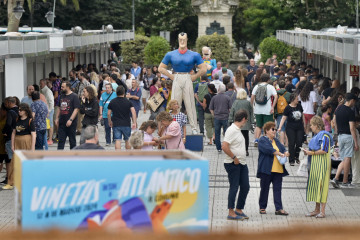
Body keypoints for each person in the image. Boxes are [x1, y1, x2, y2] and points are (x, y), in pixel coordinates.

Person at [158, 32, 207, 134]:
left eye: (184, 39)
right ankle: (172, 125)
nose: (182, 41)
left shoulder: (194, 54)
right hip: (176, 77)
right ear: (178, 39)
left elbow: (204, 69)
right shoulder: (170, 54)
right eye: (180, 39)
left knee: (190, 103)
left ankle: (194, 127)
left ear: (187, 39)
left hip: (187, 77)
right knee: (174, 103)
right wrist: (171, 76)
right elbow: (160, 68)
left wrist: (195, 76)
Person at [302, 116, 333, 218]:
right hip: (316, 164)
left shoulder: (325, 136)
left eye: (311, 125)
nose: (310, 127)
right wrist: (308, 153)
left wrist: (311, 152)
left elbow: (324, 150)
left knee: (322, 187)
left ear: (316, 125)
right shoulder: (317, 136)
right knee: (316, 186)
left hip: (323, 165)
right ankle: (316, 209)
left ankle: (322, 211)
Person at [222, 110, 250, 221]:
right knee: (234, 187)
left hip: (242, 163)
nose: (246, 121)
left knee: (245, 186)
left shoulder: (238, 130)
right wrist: (234, 158)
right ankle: (231, 211)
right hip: (233, 163)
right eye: (246, 119)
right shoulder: (232, 130)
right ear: (243, 119)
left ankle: (239, 209)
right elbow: (224, 146)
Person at [257, 121, 290, 215]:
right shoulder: (262, 140)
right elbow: (268, 150)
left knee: (278, 189)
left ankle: (279, 208)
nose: (274, 131)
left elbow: (283, 149)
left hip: (278, 170)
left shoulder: (276, 140)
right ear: (267, 130)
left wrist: (286, 152)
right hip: (266, 170)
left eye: (275, 129)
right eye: (272, 129)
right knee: (264, 189)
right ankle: (262, 207)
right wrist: (279, 153)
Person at [331, 93, 359, 188]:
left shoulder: (338, 109)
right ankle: (345, 181)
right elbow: (352, 128)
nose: (354, 104)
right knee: (347, 158)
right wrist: (356, 142)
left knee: (343, 159)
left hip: (340, 136)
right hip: (348, 136)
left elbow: (334, 121)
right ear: (351, 100)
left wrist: (337, 132)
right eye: (354, 102)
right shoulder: (350, 112)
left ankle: (336, 178)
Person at [251, 73, 278, 146]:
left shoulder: (256, 86)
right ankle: (266, 140)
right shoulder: (270, 87)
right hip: (268, 110)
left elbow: (252, 97)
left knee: (259, 125)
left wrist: (252, 106)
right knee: (268, 126)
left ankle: (256, 139)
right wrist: (272, 106)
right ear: (268, 79)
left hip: (258, 109)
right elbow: (276, 97)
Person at [278, 93, 304, 166]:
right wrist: (280, 127)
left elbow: (302, 115)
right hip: (290, 128)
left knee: (299, 143)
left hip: (299, 127)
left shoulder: (299, 106)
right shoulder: (287, 108)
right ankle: (291, 160)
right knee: (291, 143)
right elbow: (283, 118)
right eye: (296, 99)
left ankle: (296, 156)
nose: (298, 100)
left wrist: (305, 124)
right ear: (293, 100)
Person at [108, 86, 137, 150]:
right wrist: (134, 122)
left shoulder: (112, 102)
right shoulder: (128, 102)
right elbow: (133, 112)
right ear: (124, 93)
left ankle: (118, 156)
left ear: (116, 93)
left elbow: (109, 113)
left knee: (118, 140)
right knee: (128, 140)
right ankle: (128, 155)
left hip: (116, 123)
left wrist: (110, 121)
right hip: (126, 123)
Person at [55, 81, 81, 150]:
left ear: (68, 87)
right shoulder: (61, 96)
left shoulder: (74, 96)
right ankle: (59, 157)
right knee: (60, 141)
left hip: (71, 123)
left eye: (63, 87)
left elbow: (76, 109)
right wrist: (57, 118)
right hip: (62, 123)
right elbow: (59, 107)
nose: (61, 88)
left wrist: (70, 119)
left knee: (72, 141)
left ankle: (73, 158)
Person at [228, 89, 253, 156]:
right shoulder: (248, 102)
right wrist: (252, 121)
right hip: (246, 122)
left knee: (237, 137)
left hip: (237, 123)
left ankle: (238, 150)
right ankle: (246, 150)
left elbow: (232, 112)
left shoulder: (235, 102)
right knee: (246, 137)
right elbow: (251, 112)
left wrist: (230, 121)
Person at [1, 98, 18, 190]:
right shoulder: (18, 110)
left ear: (9, 103)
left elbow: (8, 124)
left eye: (6, 103)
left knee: (11, 160)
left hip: (10, 137)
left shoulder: (11, 112)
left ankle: (12, 181)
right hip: (16, 137)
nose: (5, 105)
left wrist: (4, 131)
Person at [210, 84, 231, 153]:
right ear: (225, 90)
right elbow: (230, 109)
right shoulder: (227, 98)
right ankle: (226, 146)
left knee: (217, 133)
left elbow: (211, 108)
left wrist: (214, 115)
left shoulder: (214, 98)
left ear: (218, 89)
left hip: (217, 117)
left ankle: (219, 148)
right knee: (226, 133)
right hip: (225, 117)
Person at [275, 80, 291, 145]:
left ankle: (281, 143)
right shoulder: (288, 94)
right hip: (287, 113)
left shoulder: (276, 93)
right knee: (287, 129)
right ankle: (287, 143)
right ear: (285, 86)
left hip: (279, 113)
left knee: (281, 129)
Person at [40, 79, 55, 145]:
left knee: (50, 124)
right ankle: (46, 139)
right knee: (45, 125)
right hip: (44, 111)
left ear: (45, 84)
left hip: (49, 110)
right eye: (40, 83)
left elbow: (51, 102)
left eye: (41, 83)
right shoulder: (42, 90)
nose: (40, 85)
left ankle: (50, 139)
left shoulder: (47, 91)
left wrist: (48, 111)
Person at [0, 103, 9, 185]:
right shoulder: (3, 118)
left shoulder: (7, 119)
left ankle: (8, 178)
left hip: (4, 142)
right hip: (1, 143)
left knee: (5, 161)